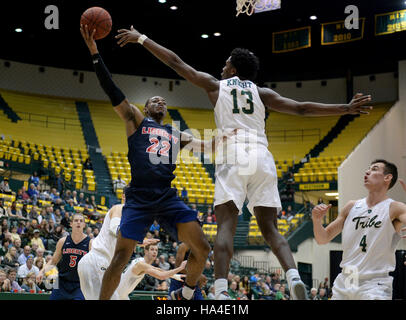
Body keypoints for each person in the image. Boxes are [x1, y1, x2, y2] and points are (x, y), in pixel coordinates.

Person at [115, 26, 373, 300]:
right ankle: (293, 276)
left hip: (233, 153)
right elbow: (301, 108)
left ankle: (223, 292)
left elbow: (177, 63)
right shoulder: (262, 93)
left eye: (226, 63)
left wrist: (142, 39)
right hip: (262, 156)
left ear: (234, 70)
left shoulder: (217, 85)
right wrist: (344, 109)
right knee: (271, 229)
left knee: (227, 225)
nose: (223, 66)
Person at [80, 24, 222, 301]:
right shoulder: (135, 120)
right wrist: (95, 52)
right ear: (145, 109)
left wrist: (232, 133)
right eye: (154, 100)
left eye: (163, 101)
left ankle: (186, 293)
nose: (160, 101)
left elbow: (209, 146)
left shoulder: (175, 133)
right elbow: (112, 90)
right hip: (140, 197)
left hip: (167, 197)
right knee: (121, 256)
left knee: (203, 247)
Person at [312, 159, 406, 300]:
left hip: (375, 282)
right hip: (347, 279)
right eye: (368, 169)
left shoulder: (395, 207)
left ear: (387, 177)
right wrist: (317, 220)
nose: (367, 172)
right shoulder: (351, 206)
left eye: (374, 169)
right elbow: (322, 238)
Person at [36, 213, 91, 300]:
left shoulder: (90, 243)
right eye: (76, 220)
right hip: (62, 282)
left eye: (81, 221)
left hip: (80, 284)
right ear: (71, 224)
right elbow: (53, 261)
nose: (78, 223)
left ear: (84, 225)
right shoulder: (63, 241)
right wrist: (41, 272)